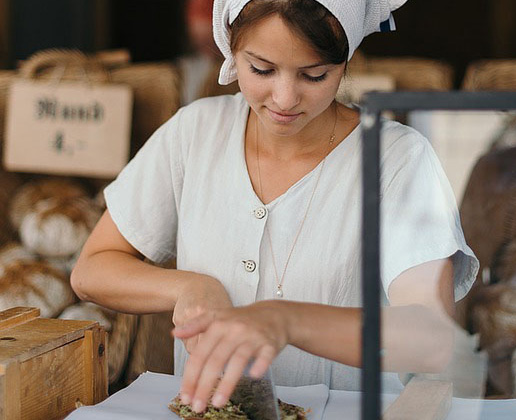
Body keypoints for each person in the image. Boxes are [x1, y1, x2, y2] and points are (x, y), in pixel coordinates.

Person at [71, 0, 479, 414]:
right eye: (261, 69)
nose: (284, 99)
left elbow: (431, 340)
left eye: (315, 74)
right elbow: (92, 270)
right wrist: (189, 286)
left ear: (345, 61)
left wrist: (285, 320)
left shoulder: (396, 159)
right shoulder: (194, 133)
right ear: (232, 50)